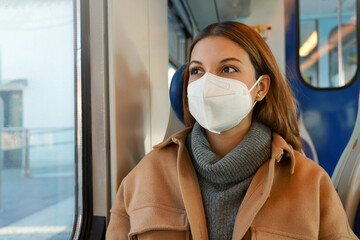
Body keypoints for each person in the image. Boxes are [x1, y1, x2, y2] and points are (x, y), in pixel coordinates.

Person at [106, 21, 358, 240]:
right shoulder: (144, 178)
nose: (207, 83)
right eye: (197, 71)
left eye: (228, 69)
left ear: (260, 88)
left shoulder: (310, 183)